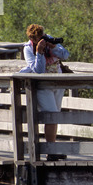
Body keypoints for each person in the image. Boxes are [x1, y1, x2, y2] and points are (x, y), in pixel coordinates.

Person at [20, 24, 70, 160]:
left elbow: (65, 55)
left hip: (57, 83)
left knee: (55, 116)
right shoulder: (28, 49)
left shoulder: (49, 40)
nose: (40, 40)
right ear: (33, 39)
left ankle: (52, 150)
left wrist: (54, 47)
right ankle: (50, 150)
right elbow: (38, 70)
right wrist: (40, 52)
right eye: (37, 38)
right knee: (51, 114)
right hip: (42, 85)